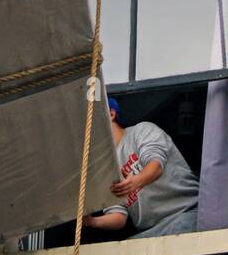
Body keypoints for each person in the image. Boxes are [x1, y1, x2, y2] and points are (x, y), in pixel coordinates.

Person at [84, 98, 199, 238]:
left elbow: (156, 166)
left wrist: (135, 181)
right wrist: (92, 221)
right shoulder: (105, 168)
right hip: (150, 231)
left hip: (184, 213)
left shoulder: (141, 131)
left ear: (111, 114)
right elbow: (118, 217)